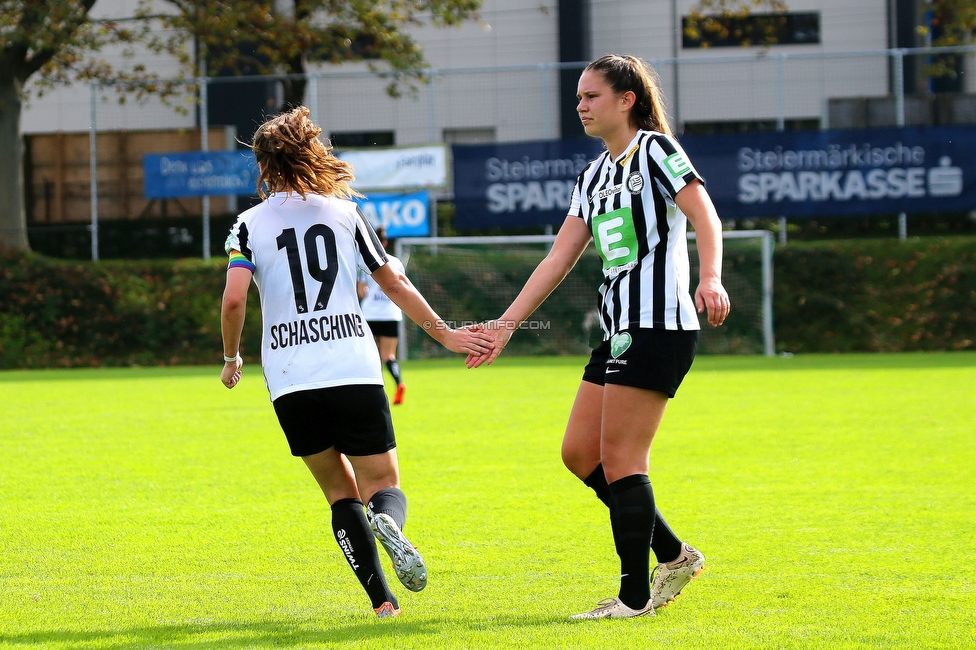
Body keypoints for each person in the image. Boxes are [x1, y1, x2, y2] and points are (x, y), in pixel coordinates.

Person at [466, 54, 730, 620]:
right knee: (580, 453)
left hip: (657, 324)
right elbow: (558, 259)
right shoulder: (592, 176)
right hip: (617, 330)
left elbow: (706, 217)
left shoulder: (658, 151)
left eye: (591, 96)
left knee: (622, 459)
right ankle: (675, 554)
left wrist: (710, 277)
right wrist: (505, 325)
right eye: (579, 97)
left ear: (626, 99)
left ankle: (634, 598)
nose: (581, 106)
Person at [219, 106, 492, 619]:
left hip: (289, 379)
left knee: (338, 494)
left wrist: (231, 357)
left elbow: (234, 300)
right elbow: (395, 283)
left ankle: (382, 602)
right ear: (312, 153)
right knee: (382, 486)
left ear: (261, 164)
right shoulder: (346, 215)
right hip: (351, 367)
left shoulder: (248, 225)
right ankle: (387, 519)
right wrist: (448, 336)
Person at [357, 226, 407, 405]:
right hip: (391, 314)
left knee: (368, 355)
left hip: (370, 314)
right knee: (389, 356)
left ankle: (372, 392)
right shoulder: (396, 262)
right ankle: (399, 383)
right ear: (385, 243)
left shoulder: (364, 261)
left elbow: (361, 291)